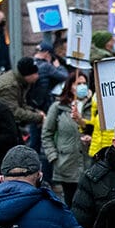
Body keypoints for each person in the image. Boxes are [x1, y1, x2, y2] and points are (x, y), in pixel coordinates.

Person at [42, 70, 92, 206]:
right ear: (70, 86)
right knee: (70, 203)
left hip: (89, 163)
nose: (82, 86)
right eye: (78, 83)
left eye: (84, 83)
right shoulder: (58, 107)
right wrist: (54, 157)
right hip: (66, 164)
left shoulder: (93, 106)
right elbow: (46, 134)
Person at [0, 57, 44, 131]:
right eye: (35, 73)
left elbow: (21, 104)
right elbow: (13, 112)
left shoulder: (20, 81)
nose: (37, 76)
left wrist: (37, 113)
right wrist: (39, 117)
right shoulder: (9, 87)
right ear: (27, 75)